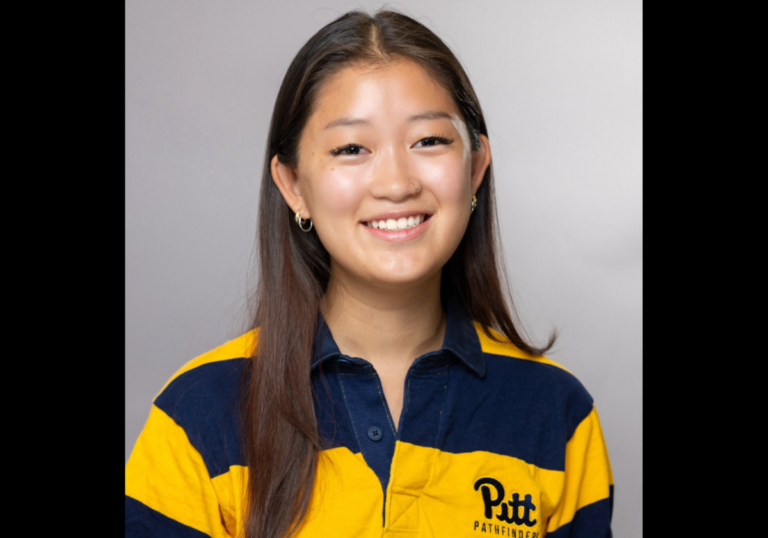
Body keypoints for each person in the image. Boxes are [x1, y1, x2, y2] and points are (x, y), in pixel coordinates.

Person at [125, 9, 613, 538]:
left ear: (474, 167)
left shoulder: (557, 415)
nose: (397, 183)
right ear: (293, 185)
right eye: (351, 149)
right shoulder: (196, 416)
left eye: (428, 141)